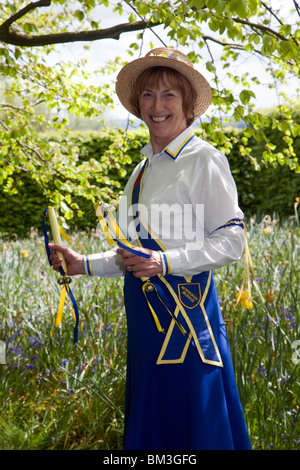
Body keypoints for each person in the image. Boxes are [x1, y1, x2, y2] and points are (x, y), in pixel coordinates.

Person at [49, 47, 252, 450]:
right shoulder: (139, 174)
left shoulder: (204, 159)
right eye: (147, 95)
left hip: (189, 328)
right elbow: (133, 256)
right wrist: (81, 265)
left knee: (197, 429)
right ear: (137, 103)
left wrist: (167, 261)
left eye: (169, 95)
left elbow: (232, 240)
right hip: (146, 325)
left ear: (189, 105)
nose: (157, 106)